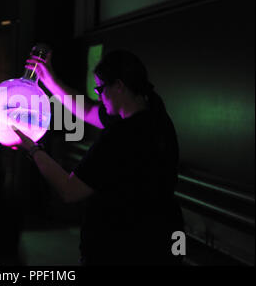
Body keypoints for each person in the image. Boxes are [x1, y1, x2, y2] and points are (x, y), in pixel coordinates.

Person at [13, 49, 184, 265]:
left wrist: (33, 149)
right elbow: (87, 111)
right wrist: (51, 82)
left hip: (122, 249)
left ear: (119, 86)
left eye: (101, 89)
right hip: (166, 240)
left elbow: (69, 190)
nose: (98, 96)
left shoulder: (121, 136)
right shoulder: (155, 112)